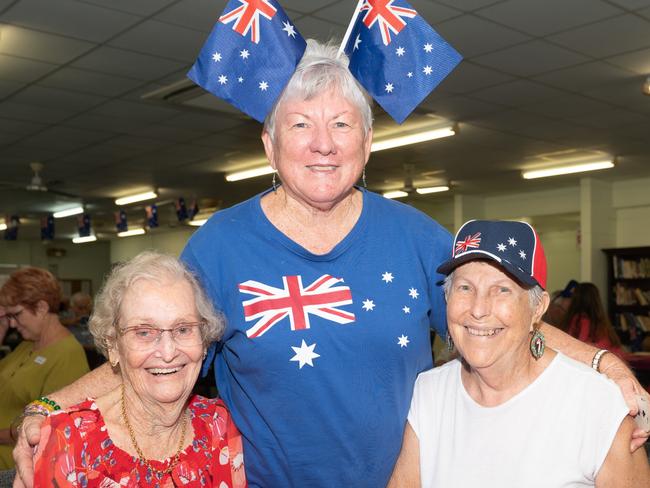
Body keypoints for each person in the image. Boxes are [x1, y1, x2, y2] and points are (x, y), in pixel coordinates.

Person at [12, 40, 649, 488]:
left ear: (368, 145)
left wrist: (604, 365)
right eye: (300, 125)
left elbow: (501, 319)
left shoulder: (416, 238)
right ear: (268, 144)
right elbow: (152, 352)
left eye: (343, 124)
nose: (323, 143)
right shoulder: (220, 247)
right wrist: (51, 405)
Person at [388, 220, 650, 487]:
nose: (479, 309)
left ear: (538, 309)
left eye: (502, 290)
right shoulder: (430, 392)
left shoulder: (596, 403)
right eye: (465, 287)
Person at [33, 251, 246, 487]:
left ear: (205, 341)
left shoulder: (219, 423)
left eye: (184, 329)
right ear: (114, 346)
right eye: (144, 332)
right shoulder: (67, 441)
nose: (168, 352)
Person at [0, 267, 89, 469]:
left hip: (18, 469)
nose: (12, 324)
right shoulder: (28, 344)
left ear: (41, 307)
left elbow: (48, 428)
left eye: (16, 315)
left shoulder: (68, 355)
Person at [563, 282, 627, 359]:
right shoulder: (603, 324)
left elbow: (576, 350)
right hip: (613, 363)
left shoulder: (578, 321)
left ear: (575, 299)